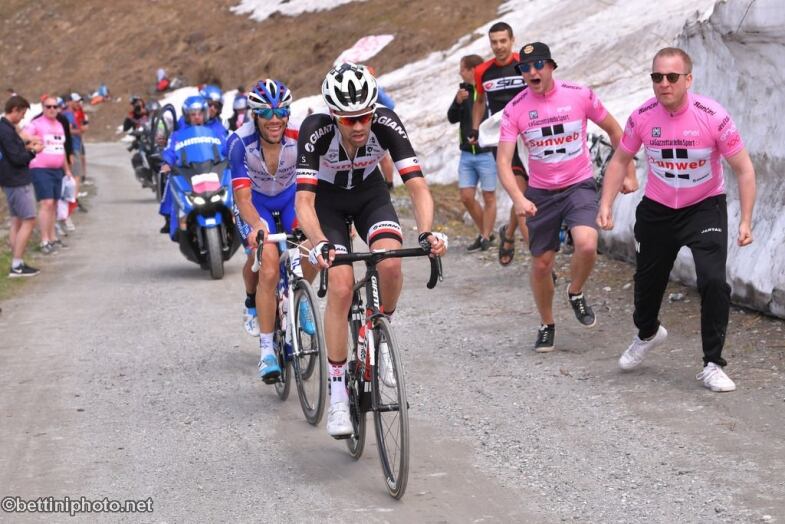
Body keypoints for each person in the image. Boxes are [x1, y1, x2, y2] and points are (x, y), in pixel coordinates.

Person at [295, 63, 447, 437]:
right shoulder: (315, 131)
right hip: (327, 204)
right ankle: (337, 396)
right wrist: (321, 244)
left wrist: (426, 232)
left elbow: (418, 186)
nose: (360, 126)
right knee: (343, 286)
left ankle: (382, 334)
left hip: (369, 196)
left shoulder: (387, 123)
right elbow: (303, 202)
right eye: (350, 120)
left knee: (390, 263)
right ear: (334, 116)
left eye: (365, 115)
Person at [597, 47, 756, 392]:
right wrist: (606, 203)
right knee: (647, 284)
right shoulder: (643, 116)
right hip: (657, 210)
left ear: (688, 80)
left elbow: (743, 169)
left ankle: (713, 363)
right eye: (657, 77)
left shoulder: (712, 115)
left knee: (714, 281)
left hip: (704, 207)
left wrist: (745, 220)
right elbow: (620, 160)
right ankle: (648, 333)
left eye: (671, 77)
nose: (664, 84)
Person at [497, 42, 637, 352]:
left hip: (578, 185)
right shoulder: (515, 108)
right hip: (541, 192)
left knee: (587, 244)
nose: (532, 72)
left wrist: (628, 171)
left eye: (538, 65)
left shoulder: (579, 94)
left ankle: (575, 292)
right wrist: (518, 198)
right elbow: (503, 162)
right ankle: (547, 324)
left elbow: (616, 130)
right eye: (525, 68)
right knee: (542, 265)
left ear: (551, 66)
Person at [228, 79, 317, 380]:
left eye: (281, 111)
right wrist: (257, 227)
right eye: (266, 113)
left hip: (290, 198)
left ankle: (301, 299)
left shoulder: (299, 135)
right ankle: (267, 350)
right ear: (254, 115)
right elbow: (242, 197)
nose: (275, 119)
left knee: (311, 247)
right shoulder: (239, 143)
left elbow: (314, 182)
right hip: (255, 204)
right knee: (267, 265)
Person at [470, 21, 529, 266]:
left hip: (531, 138)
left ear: (512, 40)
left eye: (503, 41)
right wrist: (474, 128)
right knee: (521, 196)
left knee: (525, 195)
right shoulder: (482, 71)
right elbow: (479, 101)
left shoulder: (525, 64)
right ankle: (541, 263)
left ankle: (507, 233)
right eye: (494, 42)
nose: (498, 46)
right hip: (503, 140)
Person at [448, 54, 497, 252]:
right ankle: (486, 232)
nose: (460, 72)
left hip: (487, 153)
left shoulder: (486, 91)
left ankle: (485, 236)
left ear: (472, 70)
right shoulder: (463, 92)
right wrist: (457, 102)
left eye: (462, 68)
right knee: (466, 196)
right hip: (467, 153)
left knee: (489, 196)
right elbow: (452, 118)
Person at [158, 96, 226, 235]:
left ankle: (237, 218)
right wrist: (167, 162)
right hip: (189, 170)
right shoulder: (179, 132)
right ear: (187, 115)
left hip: (212, 169)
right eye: (193, 114)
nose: (197, 117)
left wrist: (233, 156)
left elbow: (225, 146)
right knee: (172, 181)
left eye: (200, 114)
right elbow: (172, 150)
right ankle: (172, 219)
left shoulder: (215, 128)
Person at [23, 96, 73, 254]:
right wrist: (31, 139)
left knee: (55, 204)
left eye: (55, 106)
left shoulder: (59, 125)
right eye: (48, 106)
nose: (52, 109)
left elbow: (61, 148)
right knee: (47, 203)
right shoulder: (36, 124)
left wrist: (67, 169)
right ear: (43, 108)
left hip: (57, 169)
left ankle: (52, 238)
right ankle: (44, 240)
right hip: (40, 167)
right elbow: (22, 136)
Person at [1, 95, 44, 276]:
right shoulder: (5, 130)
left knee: (16, 220)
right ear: (16, 110)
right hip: (17, 180)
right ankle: (17, 265)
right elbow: (17, 158)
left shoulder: (5, 128)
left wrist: (26, 146)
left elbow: (14, 152)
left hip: (9, 180)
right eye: (23, 113)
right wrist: (34, 151)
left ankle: (16, 261)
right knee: (29, 219)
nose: (23, 118)